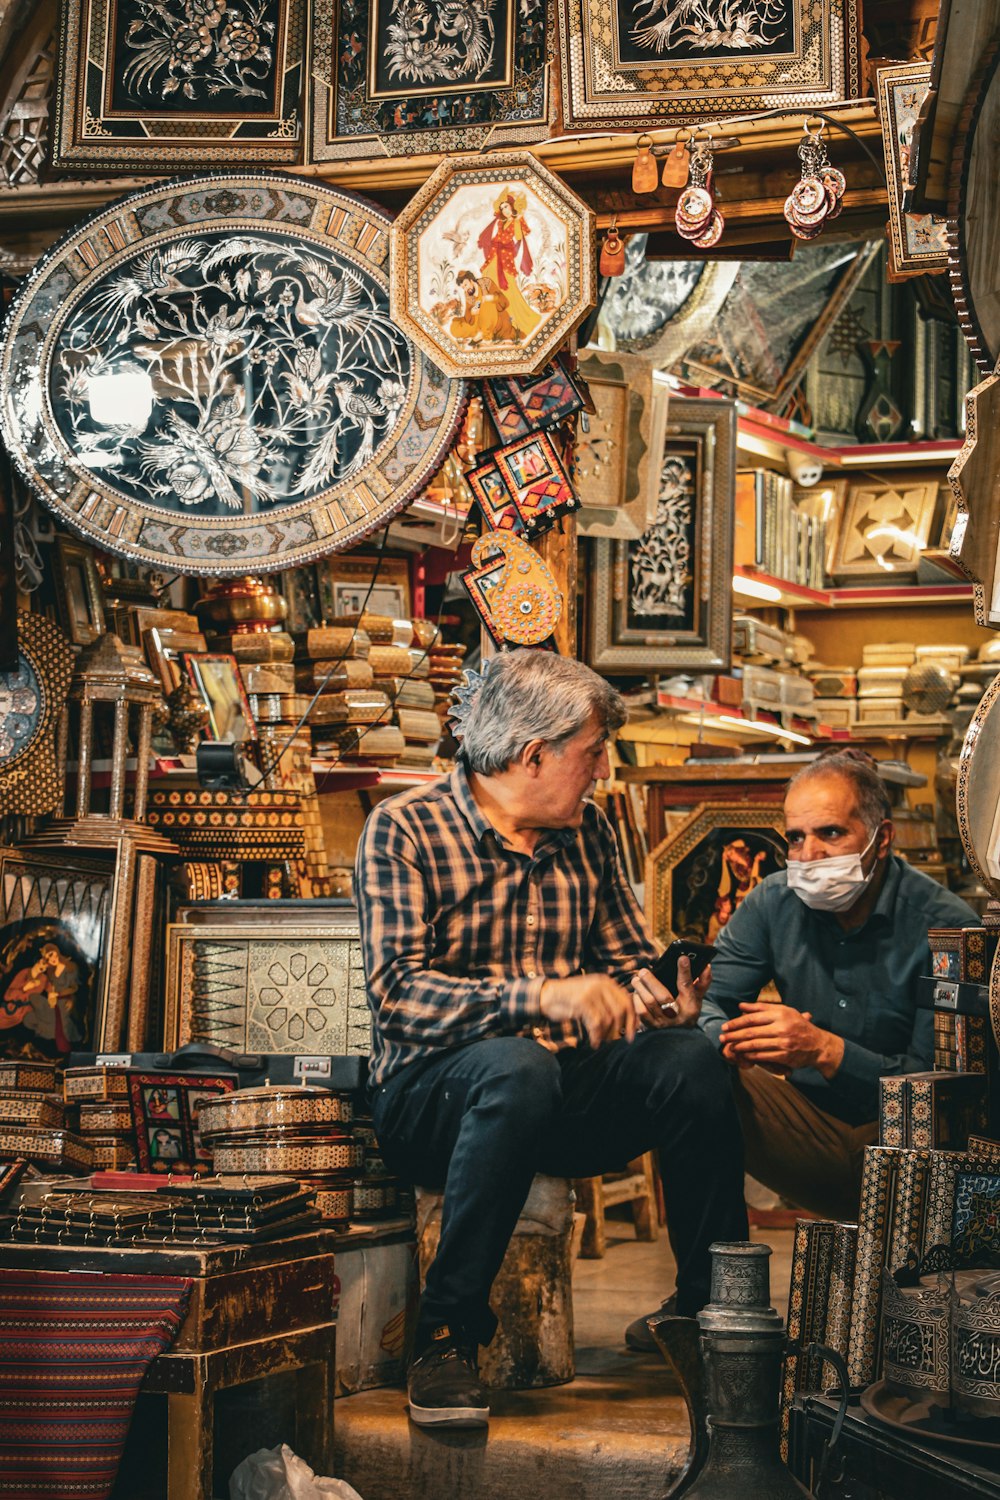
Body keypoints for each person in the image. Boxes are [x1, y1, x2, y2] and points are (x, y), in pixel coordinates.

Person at [355, 650, 748, 1430]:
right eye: (593, 753)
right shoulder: (403, 830)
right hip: (434, 1104)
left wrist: (660, 997)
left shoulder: (589, 831)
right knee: (516, 1063)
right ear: (535, 754)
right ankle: (444, 1336)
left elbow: (628, 958)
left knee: (691, 1060)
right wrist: (538, 996)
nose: (601, 772)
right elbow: (398, 997)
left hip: (560, 1099)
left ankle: (711, 1315)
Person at [625, 746, 978, 1350]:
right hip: (807, 1129)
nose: (808, 856)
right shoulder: (772, 902)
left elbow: (941, 1092)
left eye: (831, 833)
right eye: (794, 838)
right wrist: (722, 1040)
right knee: (682, 1071)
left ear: (882, 836)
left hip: (906, 1150)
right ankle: (710, 1299)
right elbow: (711, 1006)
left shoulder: (944, 925)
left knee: (938, 1114)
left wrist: (824, 1051)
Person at [448, 269, 520, 345]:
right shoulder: (468, 293)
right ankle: (480, 333)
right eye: (463, 287)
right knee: (455, 328)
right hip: (478, 321)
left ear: (471, 280)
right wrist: (472, 312)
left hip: (495, 318)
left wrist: (492, 297)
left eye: (466, 285)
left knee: (486, 302)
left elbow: (504, 301)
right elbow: (468, 315)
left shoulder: (486, 283)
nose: (465, 289)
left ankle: (484, 334)